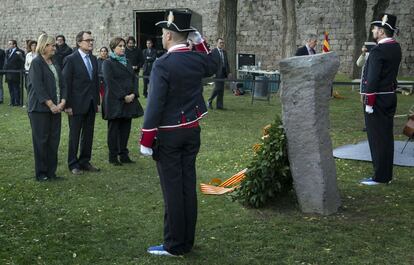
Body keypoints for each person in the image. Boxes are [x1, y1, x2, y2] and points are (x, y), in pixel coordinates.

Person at [140, 10, 217, 257]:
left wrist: (146, 139)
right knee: (186, 187)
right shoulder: (196, 59)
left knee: (172, 191)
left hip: (169, 135)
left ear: (170, 36)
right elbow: (214, 64)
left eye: (164, 33)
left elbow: (154, 105)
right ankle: (187, 240)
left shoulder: (163, 64)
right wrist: (200, 41)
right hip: (192, 131)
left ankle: (174, 245)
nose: (162, 37)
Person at [360, 13, 402, 185]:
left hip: (377, 100)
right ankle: (386, 174)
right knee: (386, 137)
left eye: (376, 28)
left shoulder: (378, 51)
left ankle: (380, 177)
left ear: (383, 32)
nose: (373, 30)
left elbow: (373, 79)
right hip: (389, 97)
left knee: (377, 138)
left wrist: (369, 102)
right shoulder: (395, 47)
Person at [27, 34, 67, 181]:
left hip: (56, 108)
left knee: (53, 141)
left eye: (55, 46)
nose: (54, 48)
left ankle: (51, 172)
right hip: (40, 109)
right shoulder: (36, 63)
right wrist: (50, 105)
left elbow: (62, 84)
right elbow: (38, 87)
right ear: (43, 46)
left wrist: (62, 101)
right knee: (41, 141)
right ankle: (41, 173)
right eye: (52, 45)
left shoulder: (54, 63)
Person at [63, 31, 100, 175]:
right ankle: (73, 164)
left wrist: (96, 101)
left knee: (88, 134)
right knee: (75, 135)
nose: (91, 42)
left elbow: (95, 82)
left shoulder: (94, 59)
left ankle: (85, 161)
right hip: (76, 104)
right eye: (88, 40)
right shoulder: (71, 59)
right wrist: (67, 105)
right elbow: (66, 83)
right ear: (79, 42)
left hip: (90, 103)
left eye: (92, 40)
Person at [102, 37, 143, 165]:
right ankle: (113, 156)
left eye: (124, 46)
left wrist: (133, 94)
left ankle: (124, 154)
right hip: (115, 101)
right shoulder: (108, 63)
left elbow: (134, 78)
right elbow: (110, 82)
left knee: (125, 128)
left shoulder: (127, 61)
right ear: (113, 48)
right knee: (114, 130)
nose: (123, 48)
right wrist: (123, 96)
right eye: (120, 46)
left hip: (129, 100)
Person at [207, 37, 230, 110]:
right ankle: (209, 101)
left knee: (221, 89)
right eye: (220, 43)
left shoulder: (224, 52)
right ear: (217, 43)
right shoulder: (213, 52)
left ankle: (219, 106)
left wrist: (229, 72)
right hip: (216, 73)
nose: (222, 44)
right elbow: (210, 63)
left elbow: (226, 63)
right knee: (217, 88)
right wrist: (212, 72)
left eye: (223, 43)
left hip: (223, 72)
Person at [4, 40, 25, 106]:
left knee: (16, 88)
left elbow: (23, 61)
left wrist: (20, 55)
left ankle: (17, 102)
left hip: (16, 73)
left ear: (14, 45)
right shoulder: (7, 52)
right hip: (9, 72)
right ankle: (12, 101)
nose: (9, 45)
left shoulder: (20, 51)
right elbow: (6, 62)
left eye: (10, 44)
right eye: (8, 44)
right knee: (10, 88)